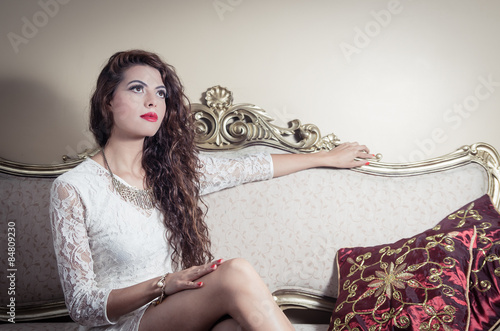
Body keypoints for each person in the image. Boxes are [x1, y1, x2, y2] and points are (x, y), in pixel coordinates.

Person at [49, 49, 374, 331]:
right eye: (137, 89)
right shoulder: (73, 188)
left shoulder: (172, 172)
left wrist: (328, 157)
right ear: (108, 99)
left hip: (175, 313)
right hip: (123, 325)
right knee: (234, 272)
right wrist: (163, 284)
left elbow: (254, 166)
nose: (152, 100)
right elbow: (82, 306)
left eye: (161, 93)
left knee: (237, 326)